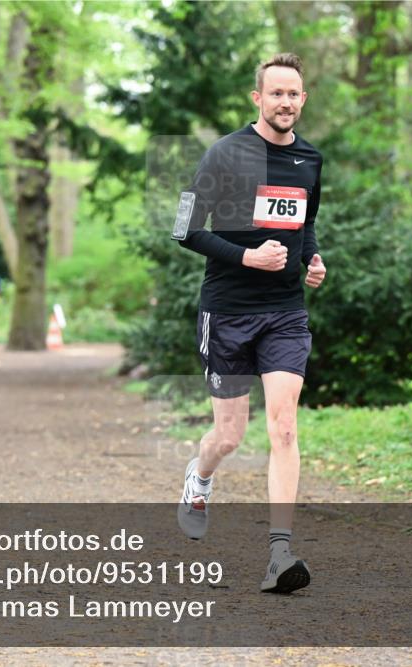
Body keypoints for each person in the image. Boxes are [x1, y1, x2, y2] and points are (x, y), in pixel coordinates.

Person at [171, 53, 327, 594]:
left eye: (293, 94)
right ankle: (199, 477)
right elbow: (184, 228)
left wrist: (312, 259)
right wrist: (246, 257)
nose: (285, 102)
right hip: (228, 312)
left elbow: (304, 223)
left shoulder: (310, 159)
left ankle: (279, 554)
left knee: (284, 427)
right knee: (229, 436)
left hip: (284, 313)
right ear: (258, 98)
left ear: (303, 100)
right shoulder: (225, 153)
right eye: (276, 93)